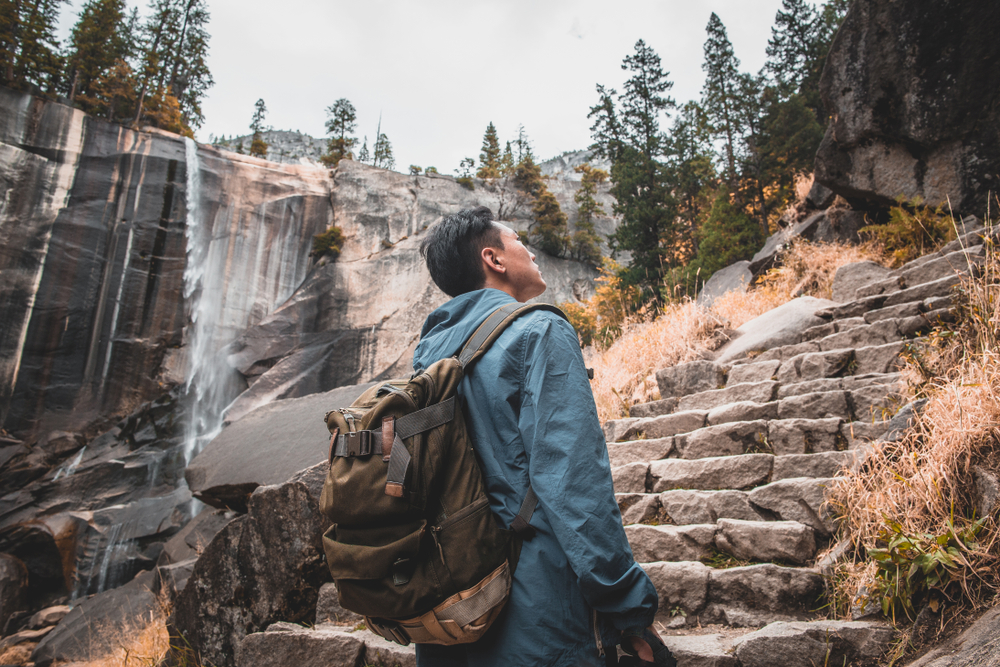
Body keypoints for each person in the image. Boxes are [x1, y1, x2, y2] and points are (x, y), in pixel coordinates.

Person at [413, 207, 672, 667]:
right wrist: (630, 610)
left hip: (451, 608)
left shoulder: (427, 360)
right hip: (536, 609)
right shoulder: (539, 330)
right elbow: (574, 483)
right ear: (493, 258)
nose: (530, 250)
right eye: (518, 241)